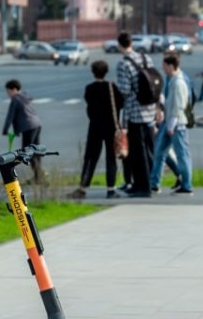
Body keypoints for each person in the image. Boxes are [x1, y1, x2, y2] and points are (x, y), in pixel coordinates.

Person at [71, 60, 123, 200]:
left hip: (95, 127)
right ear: (106, 72)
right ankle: (111, 190)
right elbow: (121, 103)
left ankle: (83, 188)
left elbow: (89, 106)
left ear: (93, 72)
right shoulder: (112, 87)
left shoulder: (90, 89)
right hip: (111, 127)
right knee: (111, 158)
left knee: (90, 158)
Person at [114, 32, 157, 198]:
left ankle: (142, 187)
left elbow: (125, 89)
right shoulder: (146, 58)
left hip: (135, 112)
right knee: (148, 148)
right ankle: (147, 183)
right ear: (131, 42)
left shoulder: (123, 64)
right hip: (149, 110)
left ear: (119, 45)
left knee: (138, 153)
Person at [149, 54, 194, 195]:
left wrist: (171, 125)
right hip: (169, 124)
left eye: (164, 67)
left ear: (170, 66)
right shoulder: (172, 80)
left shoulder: (179, 82)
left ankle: (186, 185)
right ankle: (154, 183)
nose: (163, 70)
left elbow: (179, 106)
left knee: (182, 155)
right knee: (159, 152)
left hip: (176, 125)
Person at [1, 78, 45, 183]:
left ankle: (39, 177)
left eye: (8, 91)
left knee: (27, 152)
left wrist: (5, 130)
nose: (8, 94)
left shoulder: (15, 99)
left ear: (14, 89)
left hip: (28, 127)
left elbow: (10, 116)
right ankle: (39, 176)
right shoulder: (24, 96)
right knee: (35, 151)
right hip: (37, 124)